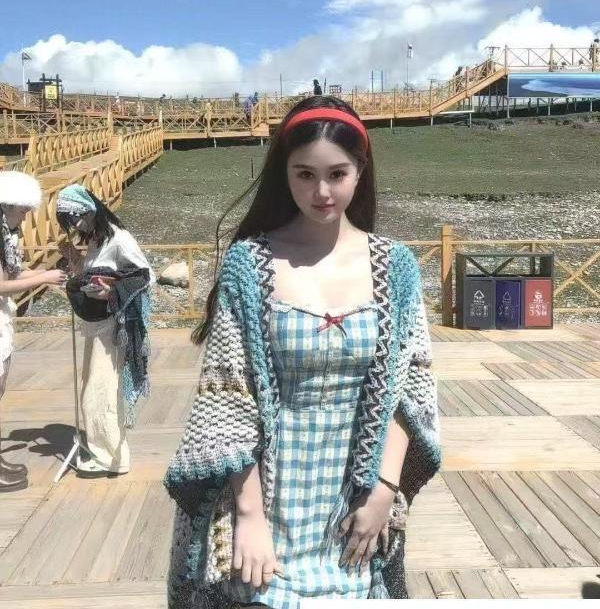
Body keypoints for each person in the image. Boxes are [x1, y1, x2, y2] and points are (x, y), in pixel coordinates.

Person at [164, 96, 441, 607]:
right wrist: (249, 516)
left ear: (360, 170)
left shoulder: (396, 267)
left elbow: (412, 390)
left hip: (356, 495)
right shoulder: (249, 264)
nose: (321, 192)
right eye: (304, 175)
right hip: (268, 493)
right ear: (284, 174)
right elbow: (228, 400)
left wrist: (384, 490)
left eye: (337, 174)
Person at [56, 185, 154, 478]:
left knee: (100, 390)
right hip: (95, 324)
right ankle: (104, 450)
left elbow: (144, 277)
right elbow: (91, 273)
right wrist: (73, 258)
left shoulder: (118, 238)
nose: (74, 226)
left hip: (112, 326)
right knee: (93, 386)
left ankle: (110, 458)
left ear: (90, 211)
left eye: (75, 218)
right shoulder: (97, 241)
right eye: (69, 222)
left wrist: (111, 292)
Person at [0, 172, 67, 492]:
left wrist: (42, 272)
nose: (27, 216)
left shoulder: (6, 234)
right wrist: (44, 278)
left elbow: (13, 274)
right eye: (23, 210)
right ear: (7, 206)